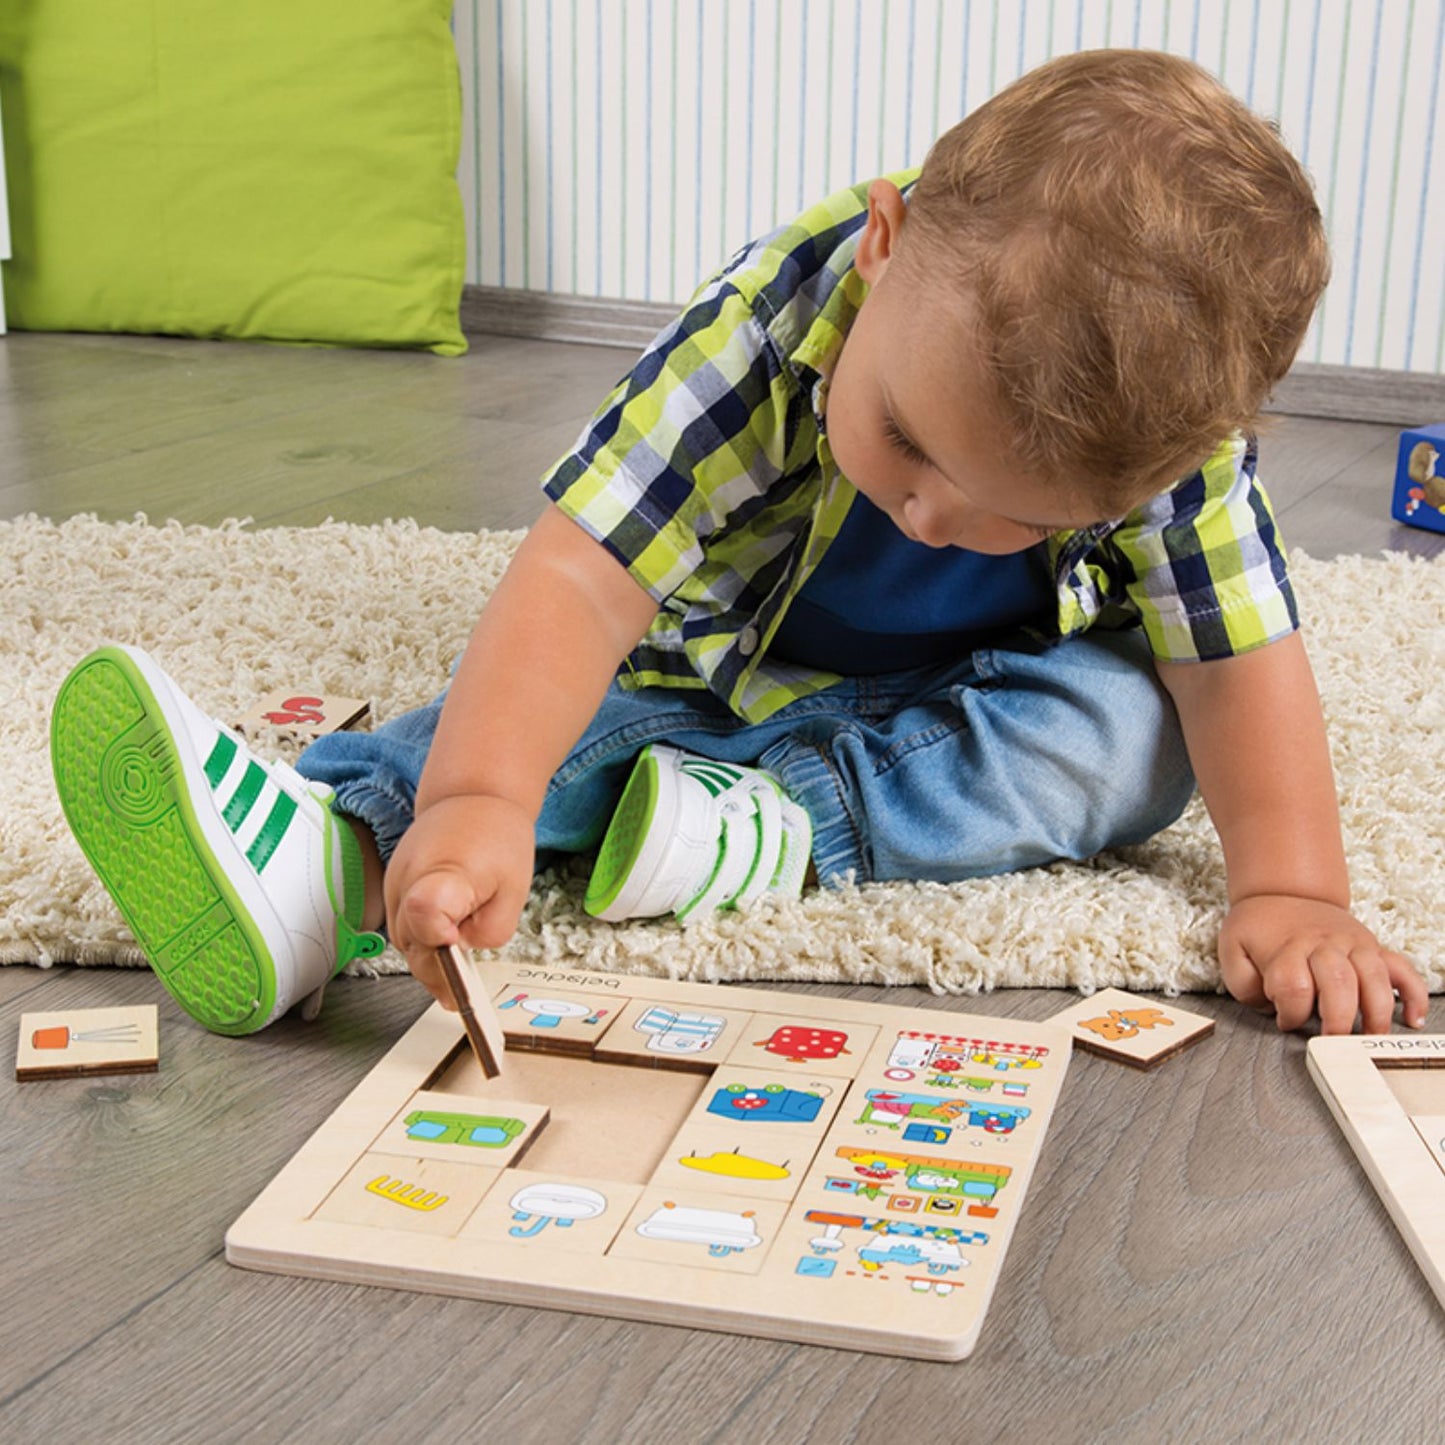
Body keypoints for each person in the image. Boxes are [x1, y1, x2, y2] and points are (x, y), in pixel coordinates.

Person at [51, 49, 1428, 1040]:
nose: (934, 517)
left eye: (1017, 513)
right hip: (732, 652)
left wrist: (1297, 888)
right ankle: (333, 855)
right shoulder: (770, 315)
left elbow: (1238, 662)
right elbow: (580, 577)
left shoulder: (1175, 445)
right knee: (565, 716)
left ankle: (774, 826)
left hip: (997, 692)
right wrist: (475, 798)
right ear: (882, 246)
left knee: (1140, 741)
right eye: (904, 440)